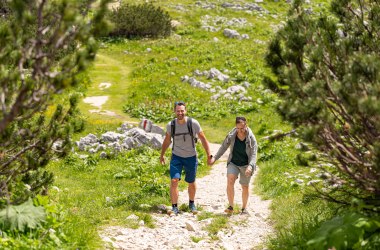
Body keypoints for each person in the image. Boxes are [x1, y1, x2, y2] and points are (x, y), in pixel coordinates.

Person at [160, 101, 212, 215]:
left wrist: (209, 155)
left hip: (191, 157)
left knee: (191, 181)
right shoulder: (171, 125)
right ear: (174, 111)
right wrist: (162, 154)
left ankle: (192, 204)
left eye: (182, 111)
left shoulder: (193, 123)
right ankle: (174, 207)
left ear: (186, 111)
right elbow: (167, 141)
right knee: (174, 180)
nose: (180, 113)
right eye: (178, 111)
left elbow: (203, 139)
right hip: (176, 157)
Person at [208, 116, 257, 215]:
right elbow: (223, 147)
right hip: (233, 162)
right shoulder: (232, 135)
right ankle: (231, 206)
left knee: (245, 186)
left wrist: (251, 166)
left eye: (242, 128)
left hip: (246, 165)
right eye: (238, 128)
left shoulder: (251, 138)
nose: (240, 131)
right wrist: (214, 158)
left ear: (245, 125)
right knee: (230, 180)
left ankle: (244, 208)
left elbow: (254, 154)